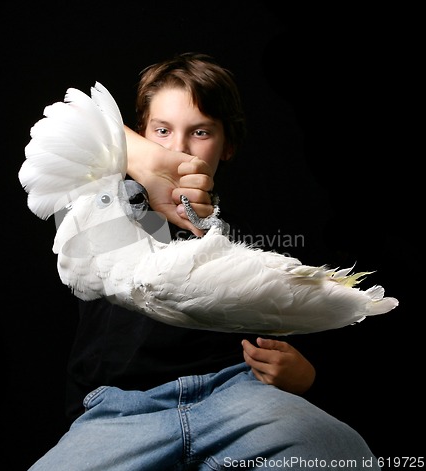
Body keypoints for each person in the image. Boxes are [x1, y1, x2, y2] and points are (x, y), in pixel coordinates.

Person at [28, 52, 380, 470]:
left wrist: (305, 375)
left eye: (200, 132)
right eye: (161, 130)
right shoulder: (102, 207)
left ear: (227, 145)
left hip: (237, 393)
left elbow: (311, 323)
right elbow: (58, 125)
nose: (178, 147)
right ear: (137, 135)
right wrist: (146, 164)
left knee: (339, 453)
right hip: (121, 411)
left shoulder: (256, 234)